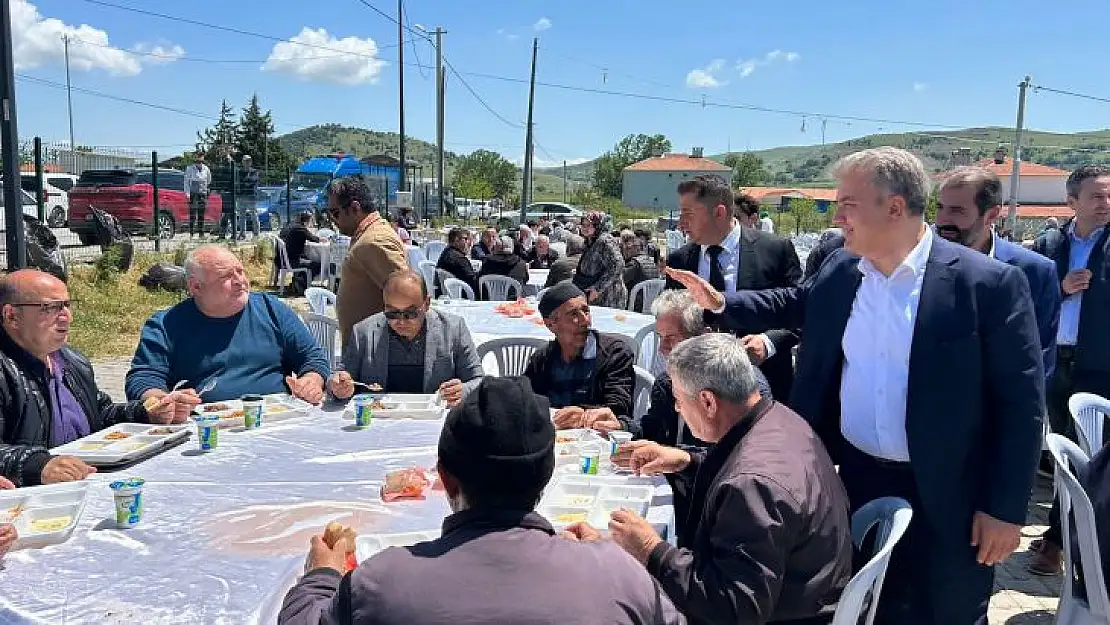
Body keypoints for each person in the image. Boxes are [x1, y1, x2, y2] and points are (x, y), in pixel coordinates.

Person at [669, 146, 1045, 624]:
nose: (837, 213)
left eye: (848, 202)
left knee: (947, 610)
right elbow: (795, 301)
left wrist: (1005, 509)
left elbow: (1020, 407)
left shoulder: (987, 285)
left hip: (952, 493)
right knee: (869, 606)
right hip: (858, 476)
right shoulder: (843, 270)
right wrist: (722, 302)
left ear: (894, 206)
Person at [280, 376, 686, 625]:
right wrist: (601, 563)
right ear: (547, 476)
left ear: (444, 478)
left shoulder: (380, 583)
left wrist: (321, 577)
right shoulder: (619, 576)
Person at [595, 333, 851, 625]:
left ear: (707, 402)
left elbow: (733, 609)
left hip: (790, 613)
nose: (678, 409)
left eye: (679, 401)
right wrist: (688, 459)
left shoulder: (751, 486)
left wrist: (652, 550)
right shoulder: (778, 417)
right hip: (809, 589)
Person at [0, 270, 197, 487]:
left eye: (67, 305)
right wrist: (36, 466)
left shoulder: (73, 362)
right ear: (11, 316)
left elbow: (101, 414)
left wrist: (149, 412)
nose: (66, 316)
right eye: (51, 307)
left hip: (88, 480)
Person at [1028, 164, 1110, 576]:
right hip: (1055, 364)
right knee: (1063, 455)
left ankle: (1071, 545)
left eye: (1109, 196)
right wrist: (1061, 287)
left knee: (1095, 461)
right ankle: (1059, 539)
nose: (1106, 203)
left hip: (1102, 369)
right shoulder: (1048, 244)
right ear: (1072, 201)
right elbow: (1026, 298)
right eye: (1096, 196)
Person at [127, 245, 331, 405]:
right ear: (196, 286)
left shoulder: (272, 309)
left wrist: (312, 381)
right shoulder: (165, 325)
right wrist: (162, 402)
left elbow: (312, 357)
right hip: (204, 426)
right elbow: (143, 379)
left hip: (274, 418)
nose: (239, 281)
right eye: (226, 276)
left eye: (240, 271)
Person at [665, 175, 802, 401]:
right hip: (697, 392)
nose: (680, 223)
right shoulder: (680, 261)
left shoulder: (775, 250)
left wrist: (767, 343)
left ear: (719, 213)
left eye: (688, 214)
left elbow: (799, 312)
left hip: (761, 388)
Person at [935, 166, 1060, 380]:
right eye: (940, 208)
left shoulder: (1034, 271)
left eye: (956, 211)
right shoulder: (919, 265)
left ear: (991, 214)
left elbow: (1039, 359)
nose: (942, 220)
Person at [328, 271, 483, 407]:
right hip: (379, 421)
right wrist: (338, 387)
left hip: (433, 421)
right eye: (392, 314)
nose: (401, 322)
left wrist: (463, 391)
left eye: (410, 313)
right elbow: (337, 378)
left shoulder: (452, 329)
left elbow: (478, 380)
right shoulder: (364, 332)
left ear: (427, 304)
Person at [641, 289, 772, 448]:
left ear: (703, 336)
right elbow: (651, 430)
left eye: (671, 338)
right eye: (660, 337)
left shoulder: (746, 387)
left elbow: (743, 454)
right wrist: (622, 427)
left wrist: (684, 460)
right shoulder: (666, 382)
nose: (662, 348)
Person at [524, 283, 634, 435]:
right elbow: (527, 400)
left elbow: (619, 406)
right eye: (573, 314)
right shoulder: (542, 360)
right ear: (551, 324)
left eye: (586, 311)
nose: (585, 320)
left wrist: (583, 414)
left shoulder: (613, 353)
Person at [329, 176, 408, 341]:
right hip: (365, 352)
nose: (333, 220)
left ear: (355, 208)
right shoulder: (367, 235)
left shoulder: (375, 240)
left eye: (335, 213)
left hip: (374, 357)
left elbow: (406, 297)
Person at [572, 211, 627, 309]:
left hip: (609, 295)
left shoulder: (605, 240)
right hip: (593, 292)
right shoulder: (591, 240)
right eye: (583, 225)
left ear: (597, 225)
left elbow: (618, 264)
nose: (585, 228)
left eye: (589, 225)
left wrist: (598, 288)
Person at [279, 212, 323, 293]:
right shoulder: (301, 229)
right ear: (307, 221)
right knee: (317, 265)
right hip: (293, 261)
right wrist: (323, 239)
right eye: (311, 221)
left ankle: (297, 282)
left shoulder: (296, 227)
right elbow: (313, 238)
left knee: (307, 259)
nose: (312, 223)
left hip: (288, 259)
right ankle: (301, 285)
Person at [435, 227, 479, 294]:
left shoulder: (446, 252)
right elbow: (472, 281)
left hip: (446, 293)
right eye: (466, 239)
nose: (470, 243)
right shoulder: (459, 259)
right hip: (462, 295)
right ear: (456, 240)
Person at [620, 229, 660, 300]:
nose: (625, 251)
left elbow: (620, 280)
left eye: (627, 248)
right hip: (651, 302)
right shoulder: (650, 260)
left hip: (635, 303)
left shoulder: (634, 264)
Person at [183, 154, 212, 238]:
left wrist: (205, 189)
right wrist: (187, 193)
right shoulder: (190, 168)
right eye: (197, 161)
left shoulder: (206, 169)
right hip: (193, 194)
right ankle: (191, 232)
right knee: (193, 213)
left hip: (202, 193)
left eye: (200, 161)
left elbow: (209, 180)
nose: (198, 163)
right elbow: (186, 182)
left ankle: (201, 233)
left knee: (201, 214)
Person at [237, 155, 260, 240]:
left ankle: (256, 234)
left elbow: (253, 180)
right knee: (241, 216)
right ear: (242, 162)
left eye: (249, 161)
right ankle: (242, 234)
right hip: (241, 196)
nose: (247, 162)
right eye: (246, 161)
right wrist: (246, 181)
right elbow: (239, 181)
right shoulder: (239, 172)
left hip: (251, 196)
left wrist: (245, 182)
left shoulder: (255, 171)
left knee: (254, 215)